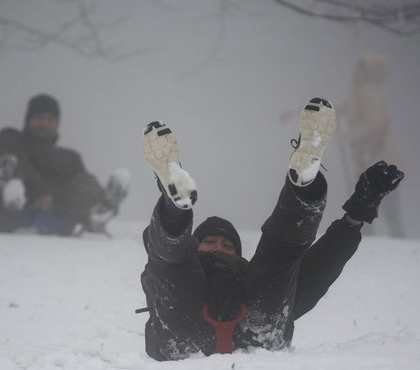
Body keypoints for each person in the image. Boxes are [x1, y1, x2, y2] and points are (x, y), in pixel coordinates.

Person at [138, 98, 404, 361]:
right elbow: (159, 262)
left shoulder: (253, 275)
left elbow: (319, 267)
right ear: (194, 245)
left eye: (227, 245)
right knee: (171, 263)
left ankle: (305, 182)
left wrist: (356, 215)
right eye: (210, 242)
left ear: (238, 253)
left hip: (249, 328)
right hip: (188, 329)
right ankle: (174, 203)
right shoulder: (183, 268)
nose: (219, 247)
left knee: (282, 253)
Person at [0, 93, 130, 236]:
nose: (44, 124)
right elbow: (11, 161)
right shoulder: (12, 139)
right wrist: (40, 196)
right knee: (10, 164)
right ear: (28, 120)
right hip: (12, 213)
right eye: (39, 118)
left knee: (84, 182)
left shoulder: (70, 157)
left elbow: (81, 190)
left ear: (57, 124)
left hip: (58, 215)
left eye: (50, 119)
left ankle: (98, 210)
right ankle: (12, 195)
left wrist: (84, 215)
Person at [336, 54, 406, 238]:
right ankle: (371, 239)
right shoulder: (365, 91)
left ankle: (369, 240)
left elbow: (373, 122)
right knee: (376, 203)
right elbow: (347, 108)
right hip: (374, 157)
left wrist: (346, 135)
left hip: (376, 156)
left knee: (373, 202)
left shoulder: (368, 91)